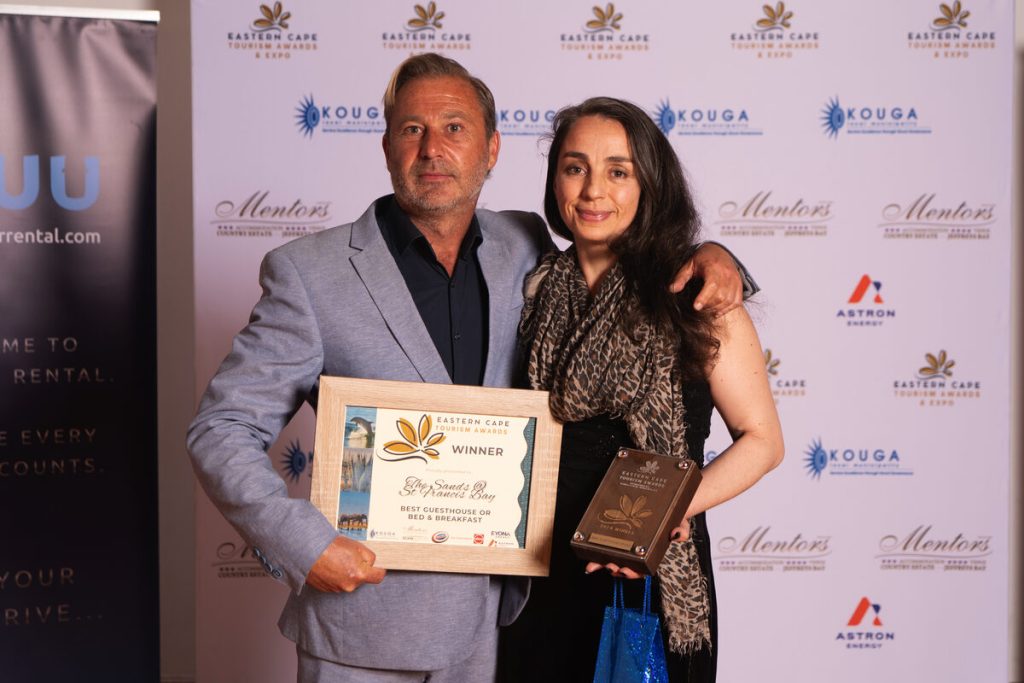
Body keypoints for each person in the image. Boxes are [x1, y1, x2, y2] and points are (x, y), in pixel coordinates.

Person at [187, 54, 751, 682]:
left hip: (502, 626)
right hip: (363, 626)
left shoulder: (526, 248)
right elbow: (223, 429)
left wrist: (713, 253)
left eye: (455, 127)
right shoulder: (309, 273)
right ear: (385, 146)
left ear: (492, 150)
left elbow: (628, 248)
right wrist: (301, 543)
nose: (432, 148)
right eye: (411, 129)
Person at [499, 98, 784, 682]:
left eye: (618, 171)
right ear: (555, 180)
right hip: (537, 577)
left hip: (649, 573)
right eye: (575, 168)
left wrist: (673, 507)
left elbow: (763, 442)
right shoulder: (531, 286)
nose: (592, 190)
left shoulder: (697, 294)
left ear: (650, 184)